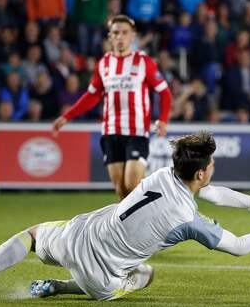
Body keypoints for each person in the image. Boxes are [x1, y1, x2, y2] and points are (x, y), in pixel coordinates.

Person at [0, 132, 250, 301]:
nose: (212, 170)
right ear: (200, 173)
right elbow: (237, 247)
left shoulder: (161, 174)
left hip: (80, 235)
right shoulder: (188, 219)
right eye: (211, 164)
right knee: (144, 275)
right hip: (101, 277)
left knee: (32, 234)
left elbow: (211, 193)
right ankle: (65, 287)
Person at [52, 14, 172, 200]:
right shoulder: (104, 64)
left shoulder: (144, 62)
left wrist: (163, 120)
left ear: (133, 36)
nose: (120, 37)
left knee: (132, 184)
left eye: (125, 33)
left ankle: (159, 200)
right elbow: (92, 96)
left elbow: (164, 92)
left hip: (136, 132)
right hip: (110, 132)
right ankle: (134, 226)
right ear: (110, 36)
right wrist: (66, 116)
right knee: (122, 191)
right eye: (116, 33)